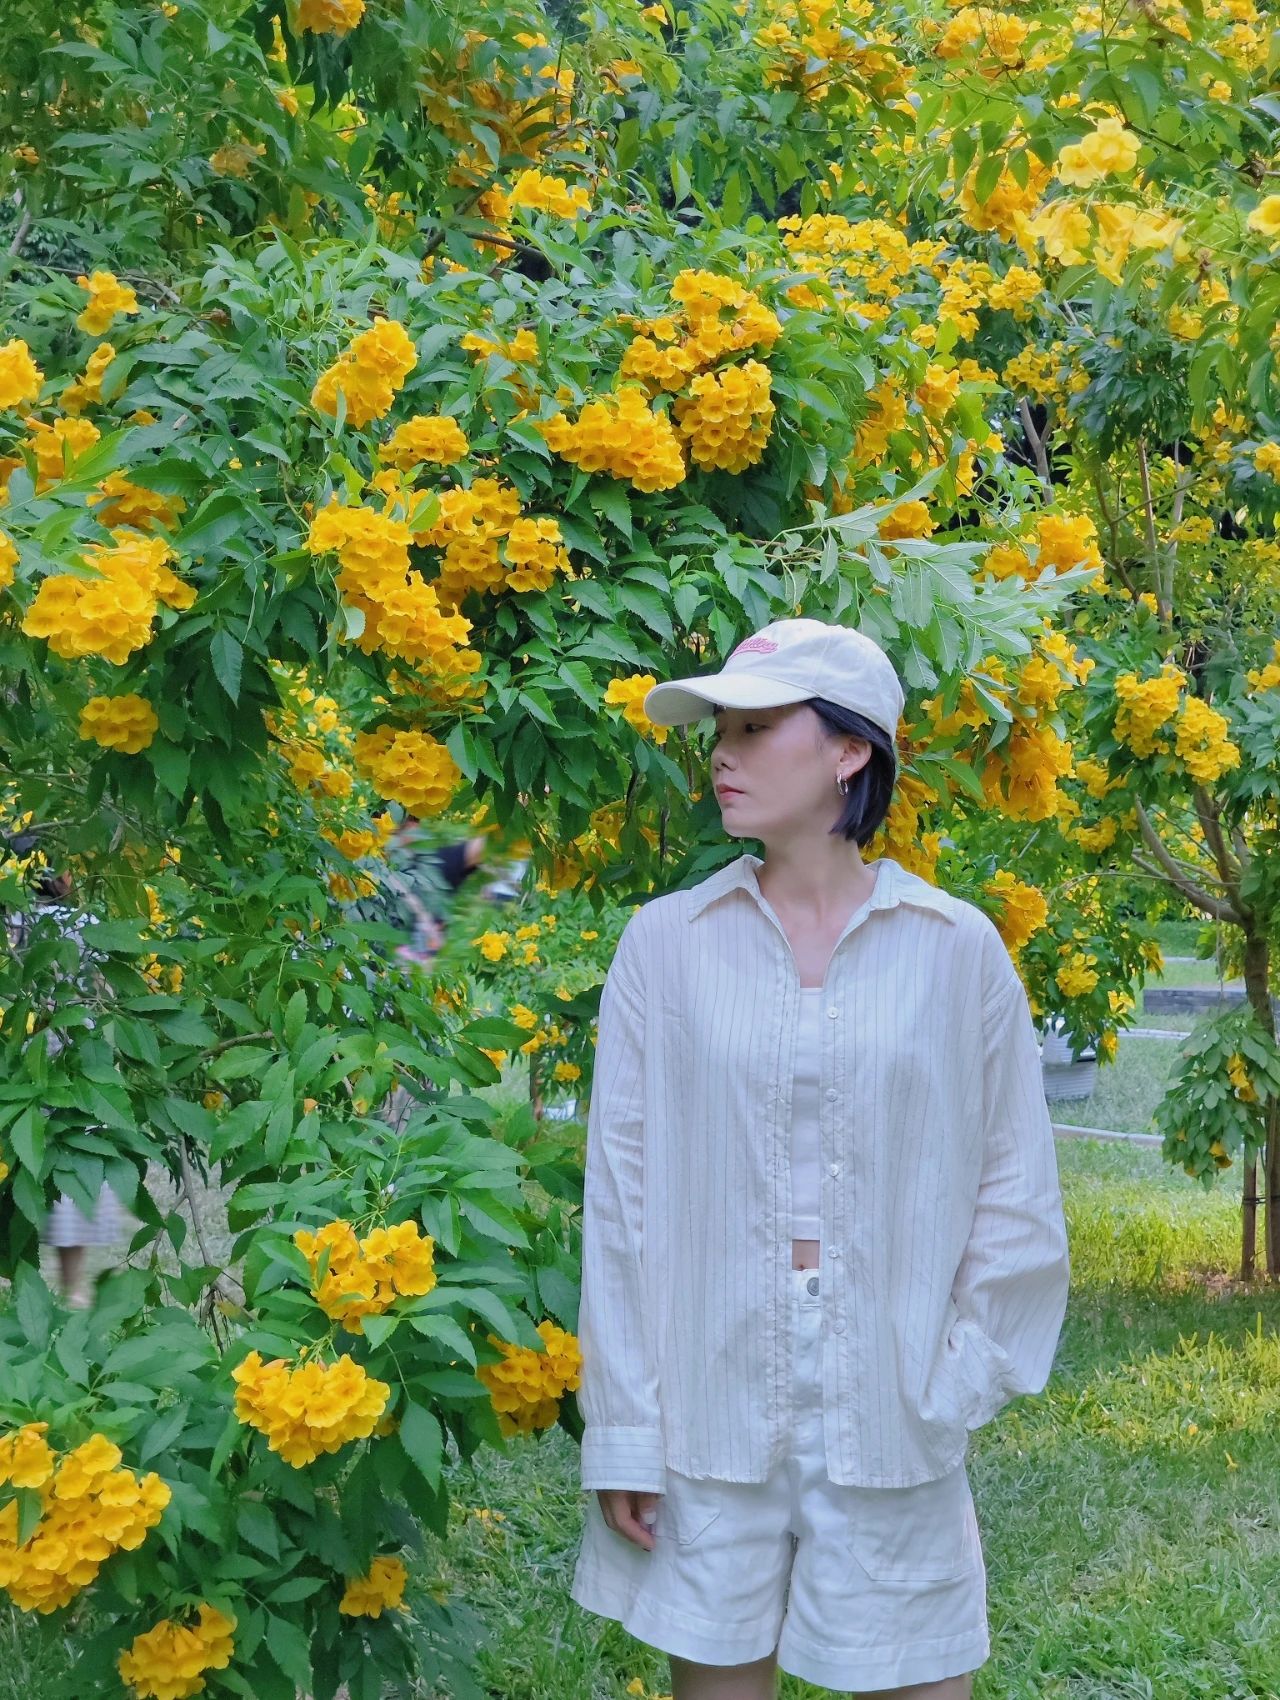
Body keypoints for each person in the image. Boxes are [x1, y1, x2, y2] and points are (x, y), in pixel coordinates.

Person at [569, 617, 1070, 1700]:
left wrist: (955, 1380)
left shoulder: (954, 951)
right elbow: (620, 1204)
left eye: (755, 726)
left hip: (893, 1390)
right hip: (708, 1400)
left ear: (848, 750)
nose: (722, 753)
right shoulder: (664, 945)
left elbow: (1015, 1194)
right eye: (718, 730)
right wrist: (625, 1428)